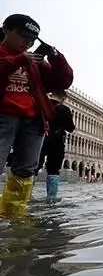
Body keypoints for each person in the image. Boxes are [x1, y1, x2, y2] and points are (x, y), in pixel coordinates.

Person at [0, 14, 74, 216]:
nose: (28, 43)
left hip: (33, 120)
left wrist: (55, 56)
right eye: (23, 36)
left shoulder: (34, 61)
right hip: (4, 116)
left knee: (25, 170)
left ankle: (12, 214)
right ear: (6, 29)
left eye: (32, 40)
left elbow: (61, 81)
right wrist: (17, 61)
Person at [35, 90, 75, 199]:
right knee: (53, 169)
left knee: (34, 166)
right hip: (56, 140)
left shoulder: (41, 103)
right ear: (62, 98)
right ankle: (51, 197)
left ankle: (26, 195)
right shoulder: (63, 109)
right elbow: (70, 128)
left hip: (39, 137)